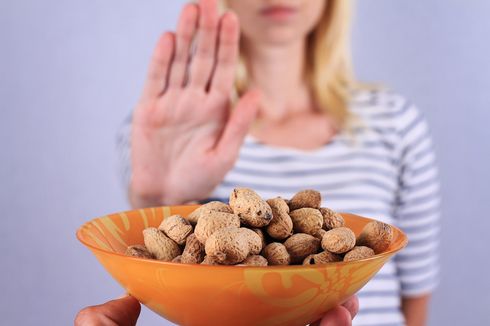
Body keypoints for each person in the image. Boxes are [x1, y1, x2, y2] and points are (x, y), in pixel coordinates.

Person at [78, 0, 441, 325]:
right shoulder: (174, 127)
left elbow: (416, 294)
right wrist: (157, 199)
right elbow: (164, 264)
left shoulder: (394, 122)